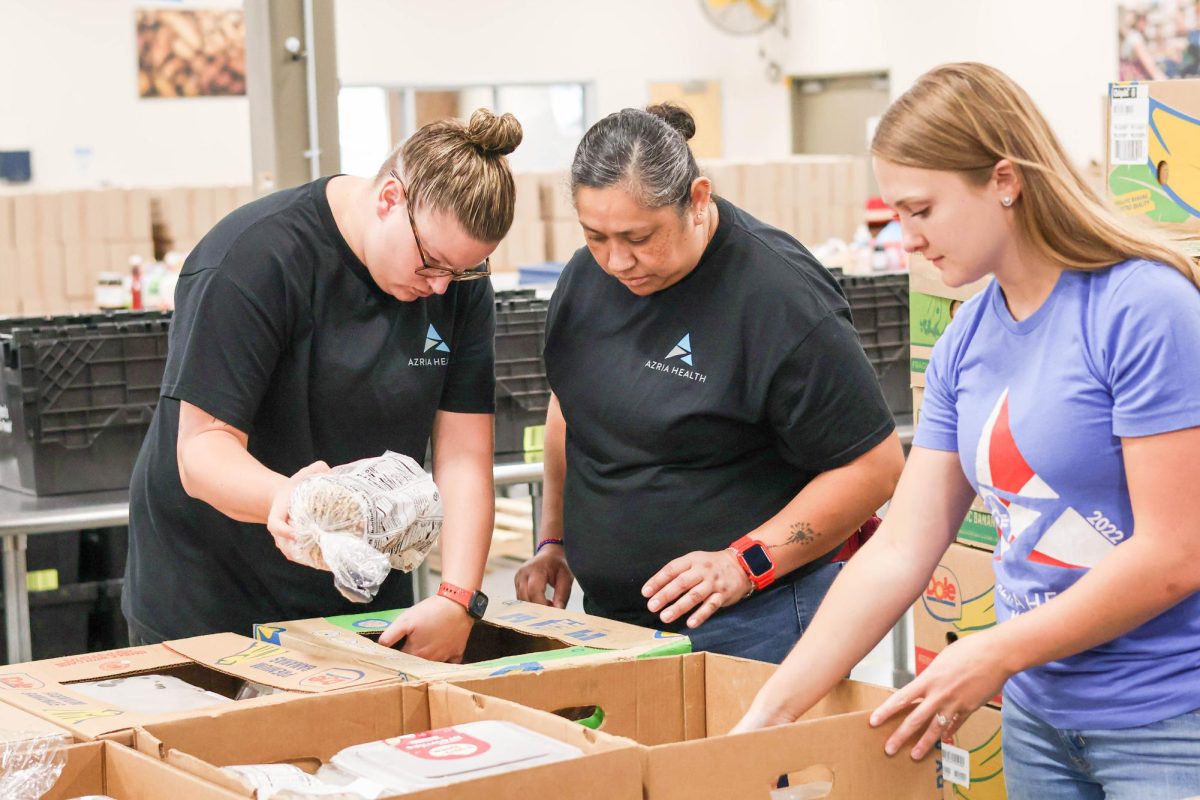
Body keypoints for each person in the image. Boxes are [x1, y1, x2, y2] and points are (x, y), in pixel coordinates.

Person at [733, 63, 1200, 799]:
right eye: (896, 214)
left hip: (1167, 723)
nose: (907, 239)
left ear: (1005, 180)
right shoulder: (965, 342)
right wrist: (772, 709)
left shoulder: (1143, 309)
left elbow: (1175, 552)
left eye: (922, 210)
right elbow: (900, 547)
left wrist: (995, 650)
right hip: (1039, 721)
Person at [124, 109, 523, 662]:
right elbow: (201, 453)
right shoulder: (254, 260)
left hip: (359, 582)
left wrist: (458, 598)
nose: (439, 288)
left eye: (461, 272)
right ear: (390, 198)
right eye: (430, 263)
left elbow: (462, 457)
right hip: (213, 593)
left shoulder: (455, 283)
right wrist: (289, 498)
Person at [513, 103, 904, 664]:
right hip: (610, 623)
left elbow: (875, 467)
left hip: (751, 624)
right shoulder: (584, 279)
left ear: (698, 200)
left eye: (639, 237)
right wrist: (555, 541)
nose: (617, 261)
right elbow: (570, 408)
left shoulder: (780, 299)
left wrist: (743, 564)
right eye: (595, 235)